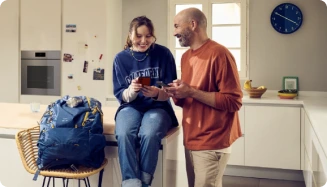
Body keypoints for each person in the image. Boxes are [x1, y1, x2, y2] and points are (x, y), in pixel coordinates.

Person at [166, 8, 243, 187]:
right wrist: (177, 92)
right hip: (192, 139)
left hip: (212, 142)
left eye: (177, 26)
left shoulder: (219, 54)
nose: (174, 32)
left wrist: (191, 91)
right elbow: (189, 98)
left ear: (193, 25)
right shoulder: (186, 57)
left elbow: (234, 101)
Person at [112, 16, 178, 187]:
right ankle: (131, 183)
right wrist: (132, 91)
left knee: (149, 133)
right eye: (139, 36)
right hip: (130, 106)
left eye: (148, 36)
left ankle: (144, 181)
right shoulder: (120, 59)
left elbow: (170, 91)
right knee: (124, 133)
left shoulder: (163, 54)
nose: (143, 40)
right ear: (130, 35)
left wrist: (157, 93)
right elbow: (122, 95)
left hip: (158, 107)